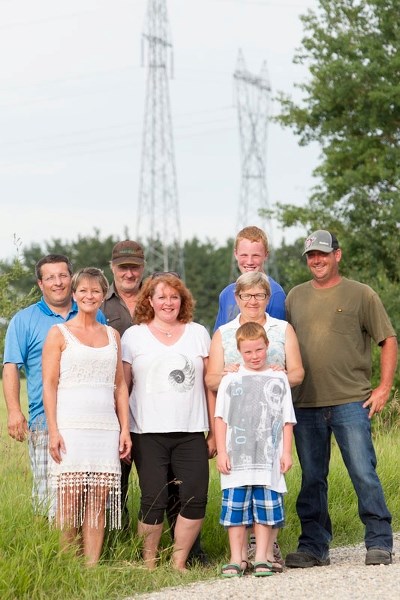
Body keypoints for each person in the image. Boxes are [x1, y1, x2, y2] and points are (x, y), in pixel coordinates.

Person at [285, 230, 398, 568]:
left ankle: (379, 541)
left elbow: (388, 339)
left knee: (363, 472)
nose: (316, 260)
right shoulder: (294, 297)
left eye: (322, 253)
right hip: (305, 404)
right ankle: (314, 546)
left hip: (351, 401)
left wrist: (384, 388)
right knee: (312, 478)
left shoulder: (361, 294)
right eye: (311, 256)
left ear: (338, 255)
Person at [207, 270, 304, 571]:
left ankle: (264, 553)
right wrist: (231, 375)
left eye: (259, 295)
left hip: (268, 440)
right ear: (236, 299)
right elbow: (212, 382)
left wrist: (273, 377)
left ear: (267, 298)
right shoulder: (224, 333)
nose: (252, 300)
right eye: (246, 295)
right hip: (238, 440)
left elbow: (295, 379)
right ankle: (239, 557)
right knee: (236, 502)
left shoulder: (282, 329)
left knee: (267, 499)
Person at [121, 272, 216, 571]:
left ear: (182, 300)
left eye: (174, 296)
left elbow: (209, 385)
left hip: (190, 431)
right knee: (153, 498)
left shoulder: (198, 332)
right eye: (161, 296)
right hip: (146, 432)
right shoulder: (133, 336)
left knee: (195, 497)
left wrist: (214, 431)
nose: (168, 302)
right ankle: (148, 563)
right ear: (149, 300)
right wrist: (122, 429)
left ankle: (179, 561)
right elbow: (123, 387)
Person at [3, 254, 106, 516]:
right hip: (45, 420)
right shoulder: (24, 320)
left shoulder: (95, 315)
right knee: (50, 498)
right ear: (40, 284)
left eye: (63, 276)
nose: (58, 282)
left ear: (71, 279)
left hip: (88, 420)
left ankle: (86, 555)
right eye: (50, 277)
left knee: (87, 497)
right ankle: (55, 554)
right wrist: (14, 411)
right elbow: (11, 366)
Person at [42, 267, 131, 566]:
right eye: (83, 290)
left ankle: (91, 566)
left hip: (105, 428)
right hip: (70, 427)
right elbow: (49, 385)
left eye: (95, 291)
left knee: (97, 501)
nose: (89, 296)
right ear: (75, 294)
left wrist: (124, 430)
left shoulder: (112, 334)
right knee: (70, 500)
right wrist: (53, 431)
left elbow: (120, 386)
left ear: (103, 294)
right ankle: (68, 566)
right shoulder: (58, 333)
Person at [215, 322, 296, 577]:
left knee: (265, 510)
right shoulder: (230, 378)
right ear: (238, 351)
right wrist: (222, 452)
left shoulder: (279, 377)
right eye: (248, 352)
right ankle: (237, 558)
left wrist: (286, 453)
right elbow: (221, 419)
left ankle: (262, 556)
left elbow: (287, 420)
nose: (254, 356)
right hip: (236, 458)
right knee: (235, 512)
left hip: (268, 458)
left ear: (267, 347)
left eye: (259, 350)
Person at [101, 240, 145, 525]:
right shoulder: (99, 303)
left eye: (135, 267)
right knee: (115, 481)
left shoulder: (158, 299)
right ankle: (116, 542)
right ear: (112, 267)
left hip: (152, 403)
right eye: (123, 267)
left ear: (143, 268)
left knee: (164, 480)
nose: (129, 274)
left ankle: (182, 547)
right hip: (111, 405)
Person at [214, 226, 286, 331]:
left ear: (266, 255)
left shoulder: (275, 293)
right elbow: (218, 337)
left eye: (256, 255)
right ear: (235, 254)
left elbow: (277, 339)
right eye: (244, 255)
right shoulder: (226, 294)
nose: (249, 261)